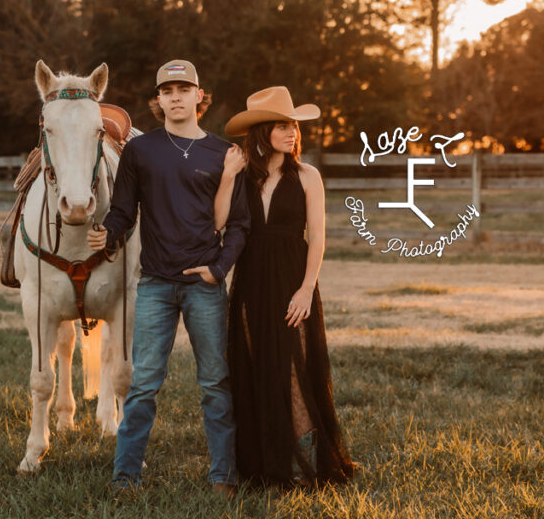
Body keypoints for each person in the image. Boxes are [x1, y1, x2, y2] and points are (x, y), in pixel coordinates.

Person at [87, 59, 251, 497]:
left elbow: (238, 224)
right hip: (156, 283)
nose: (175, 96)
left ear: (200, 95)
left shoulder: (223, 154)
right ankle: (125, 477)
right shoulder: (141, 152)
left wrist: (218, 271)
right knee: (143, 385)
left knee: (215, 382)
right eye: (167, 90)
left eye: (184, 88)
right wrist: (108, 235)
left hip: (204, 285)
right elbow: (123, 210)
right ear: (158, 101)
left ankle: (223, 476)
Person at [216, 85, 356, 487]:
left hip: (293, 278)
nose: (292, 132)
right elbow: (219, 223)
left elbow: (318, 237)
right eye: (282, 125)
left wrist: (306, 289)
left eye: (294, 125)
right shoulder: (242, 176)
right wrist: (227, 177)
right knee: (255, 363)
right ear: (262, 131)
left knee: (294, 366)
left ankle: (304, 460)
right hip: (251, 279)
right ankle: (262, 462)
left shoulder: (308, 175)